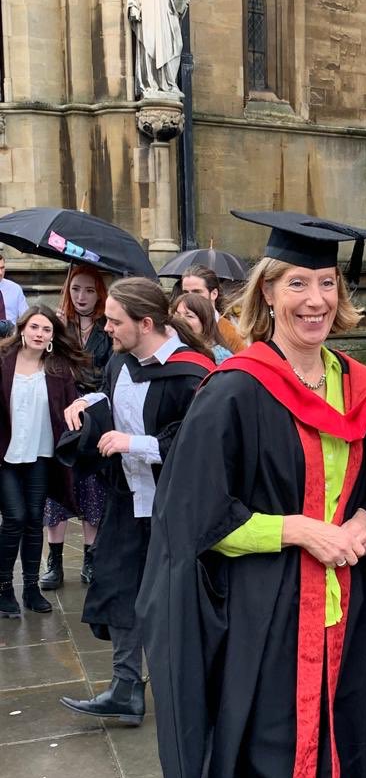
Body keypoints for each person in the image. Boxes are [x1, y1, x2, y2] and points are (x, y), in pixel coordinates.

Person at [137, 212, 366, 778]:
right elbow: (196, 518)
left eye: (325, 283)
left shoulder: (358, 386)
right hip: (267, 624)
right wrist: (302, 529)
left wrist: (362, 523)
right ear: (268, 294)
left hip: (343, 624)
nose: (314, 299)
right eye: (296, 284)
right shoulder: (237, 391)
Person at [58, 278, 215, 726]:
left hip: (174, 507)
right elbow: (115, 396)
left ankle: (191, 691)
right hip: (127, 500)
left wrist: (135, 443)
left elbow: (198, 442)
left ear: (146, 323)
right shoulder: (122, 363)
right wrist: (86, 402)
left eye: (114, 320)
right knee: (120, 589)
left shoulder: (192, 373)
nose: (105, 328)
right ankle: (126, 689)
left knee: (175, 603)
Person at [0, 305, 89, 617]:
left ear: (53, 336)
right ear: (23, 329)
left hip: (41, 455)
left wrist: (80, 402)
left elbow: (71, 403)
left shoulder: (58, 368)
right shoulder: (3, 361)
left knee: (34, 519)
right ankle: (4, 588)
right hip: (6, 457)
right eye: (35, 327)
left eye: (46, 329)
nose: (39, 334)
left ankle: (32, 588)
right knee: (14, 518)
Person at [41, 265, 113, 590]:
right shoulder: (60, 326)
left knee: (92, 484)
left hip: (93, 414)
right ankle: (53, 560)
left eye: (88, 290)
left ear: (99, 293)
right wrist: (51, 334)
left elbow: (110, 372)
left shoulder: (107, 328)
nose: (81, 297)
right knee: (58, 484)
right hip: (61, 413)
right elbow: (46, 363)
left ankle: (91, 557)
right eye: (75, 290)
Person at [126, 0, 187, 97]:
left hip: (169, 3)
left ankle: (170, 84)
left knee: (175, 43)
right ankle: (151, 84)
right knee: (151, 40)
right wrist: (133, 4)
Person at [180, 265, 246, 354]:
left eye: (197, 292)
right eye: (185, 293)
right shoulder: (175, 328)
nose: (190, 297)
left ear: (214, 294)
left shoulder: (231, 333)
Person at [171, 292, 233, 364]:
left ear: (205, 322)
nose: (180, 320)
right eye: (177, 315)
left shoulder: (220, 357)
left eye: (189, 316)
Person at [0, 254, 29, 325]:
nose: (0, 273)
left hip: (11, 334)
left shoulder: (15, 289)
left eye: (2, 268)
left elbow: (26, 317)